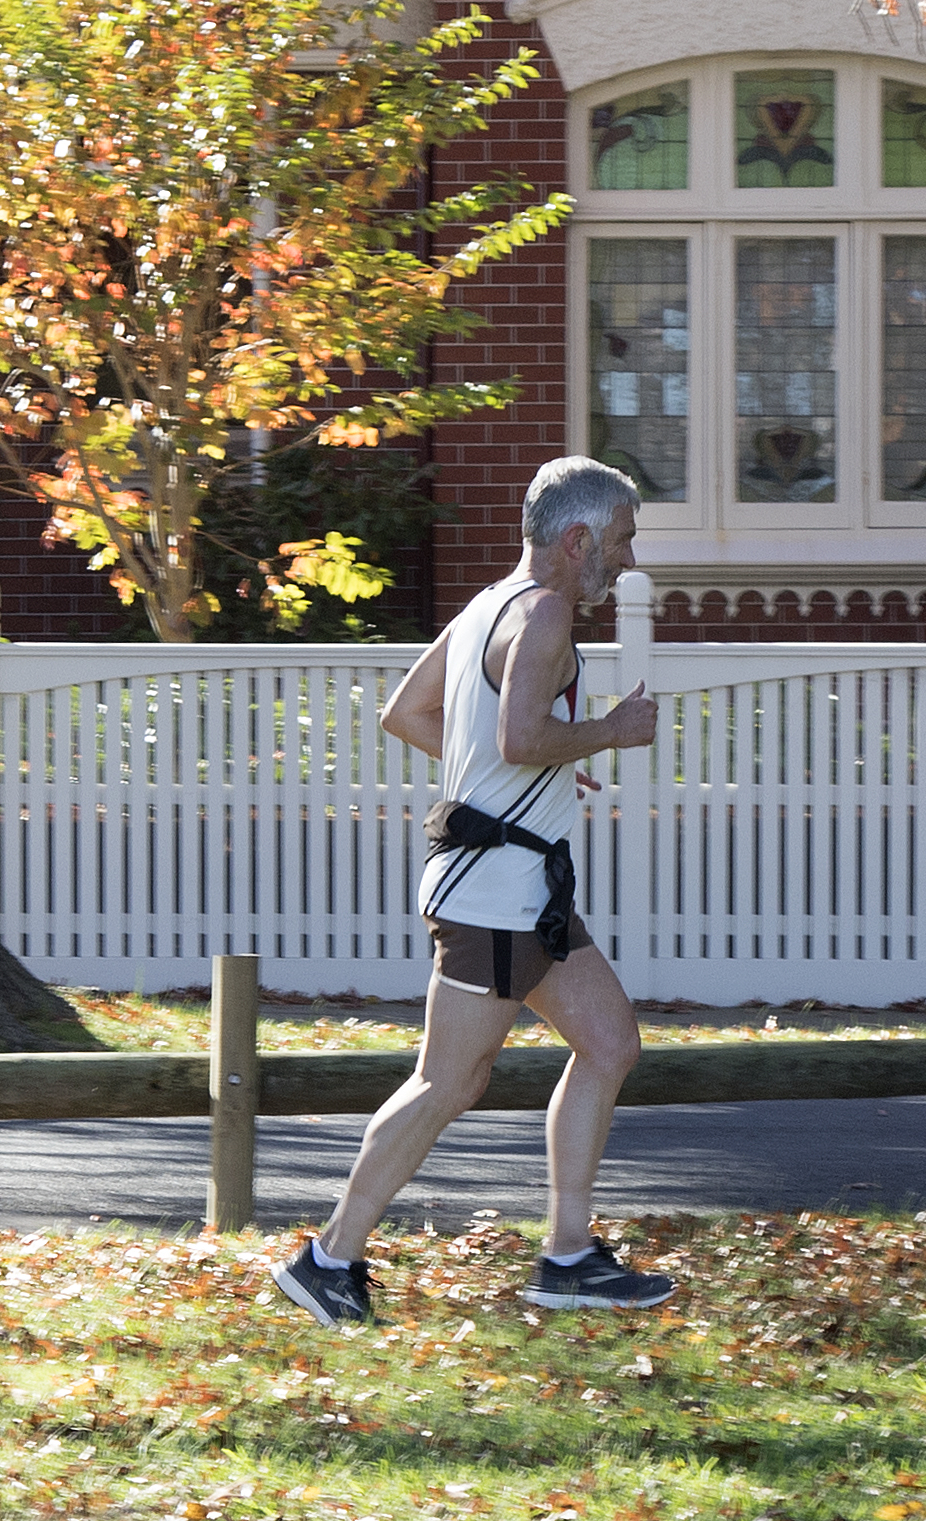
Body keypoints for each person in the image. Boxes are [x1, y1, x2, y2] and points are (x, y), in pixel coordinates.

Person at [271, 455, 673, 1327]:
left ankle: (568, 1259)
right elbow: (525, 733)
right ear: (578, 540)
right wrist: (609, 733)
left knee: (609, 1043)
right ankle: (327, 1259)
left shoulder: (486, 604)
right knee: (446, 1084)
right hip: (493, 898)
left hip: (521, 886)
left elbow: (409, 716)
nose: (630, 560)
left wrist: (531, 784)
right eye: (622, 540)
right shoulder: (545, 618)